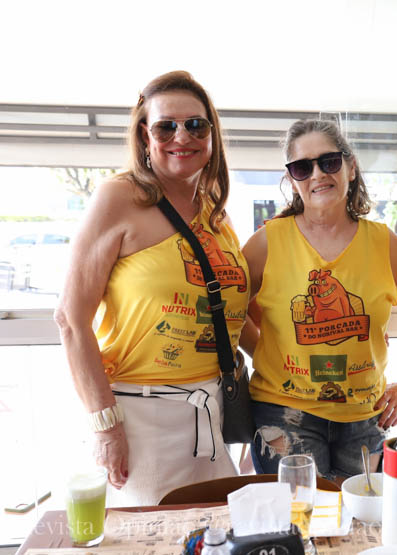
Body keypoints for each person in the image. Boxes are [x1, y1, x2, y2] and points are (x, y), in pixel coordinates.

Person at [54, 71, 248, 505]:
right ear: (145, 135)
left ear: (212, 134)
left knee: (217, 533)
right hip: (142, 422)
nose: (182, 136)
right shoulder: (118, 197)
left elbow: (236, 316)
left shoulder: (216, 214)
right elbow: (70, 319)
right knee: (155, 535)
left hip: (211, 414)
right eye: (166, 127)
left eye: (195, 125)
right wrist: (106, 427)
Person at [241, 119, 397, 480]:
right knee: (299, 513)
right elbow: (230, 314)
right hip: (283, 412)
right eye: (302, 167)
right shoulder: (267, 242)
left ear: (350, 167)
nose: (317, 174)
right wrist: (263, 350)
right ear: (291, 179)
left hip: (364, 417)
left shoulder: (383, 242)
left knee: (361, 515)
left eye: (329, 162)